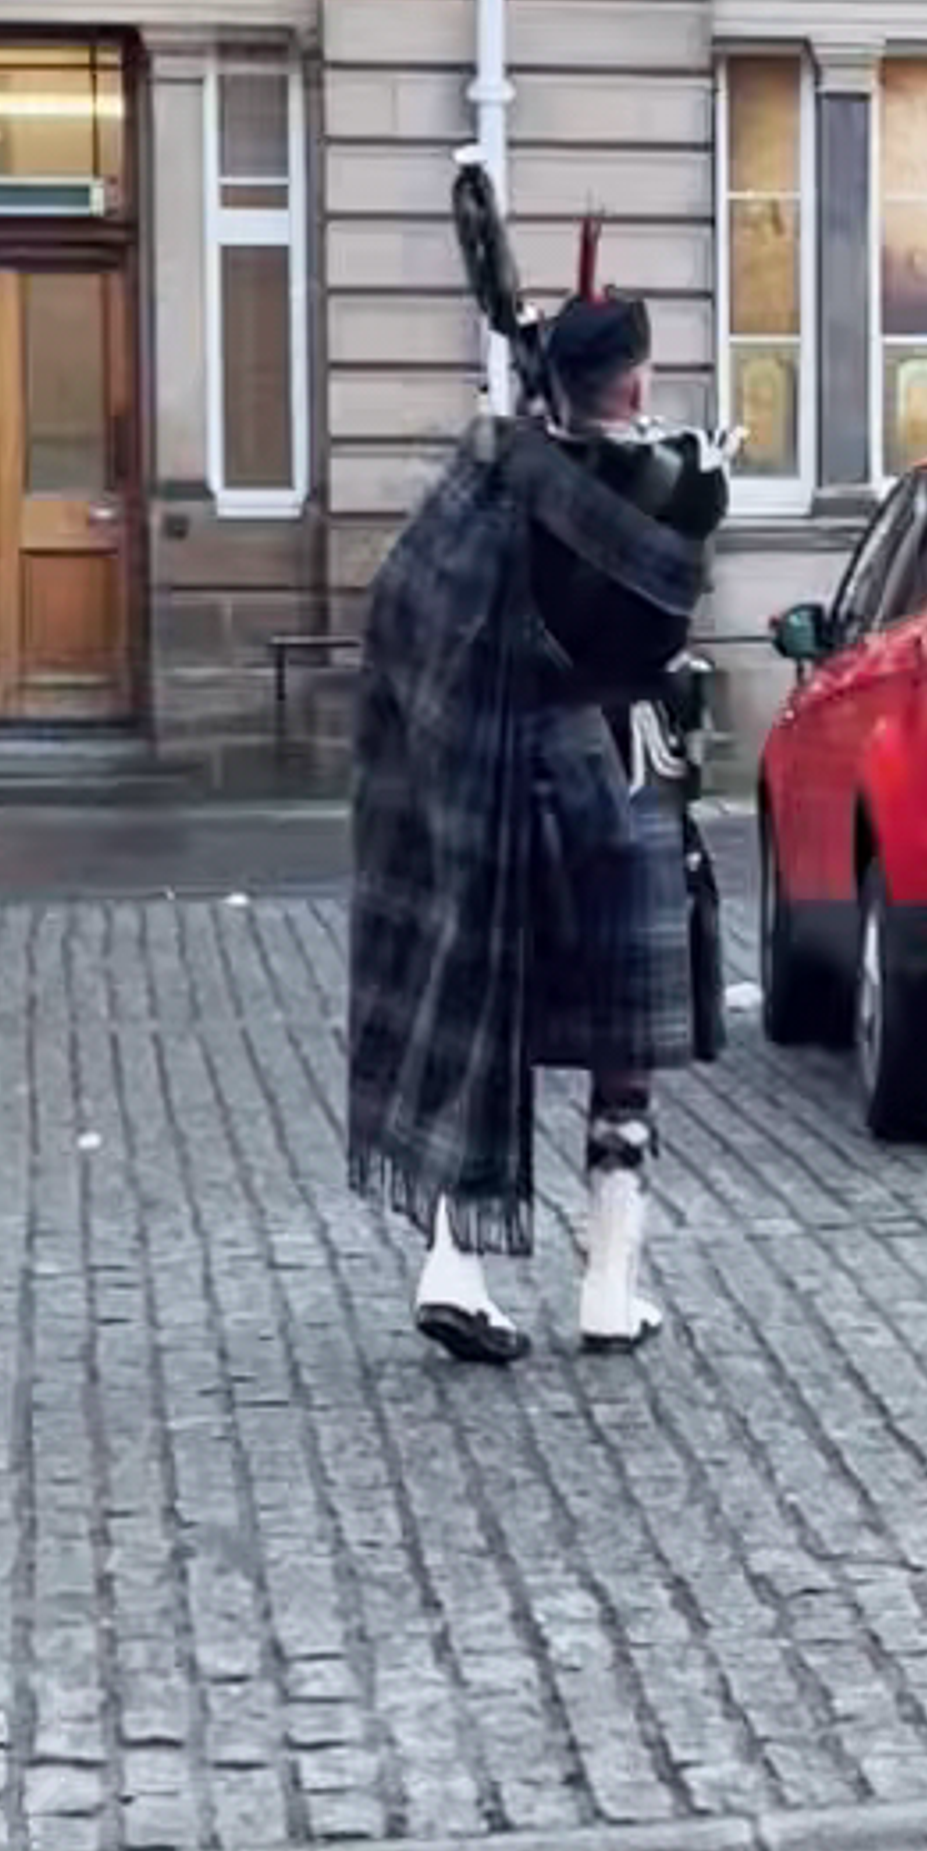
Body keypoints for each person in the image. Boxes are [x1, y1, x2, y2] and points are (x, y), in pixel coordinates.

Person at [345, 279, 733, 1361]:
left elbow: (407, 606)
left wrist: (516, 436)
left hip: (509, 769)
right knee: (623, 1050)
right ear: (639, 376)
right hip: (626, 764)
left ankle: (452, 1265)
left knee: (489, 1020)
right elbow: (662, 547)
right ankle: (610, 1285)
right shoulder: (689, 484)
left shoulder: (495, 479)